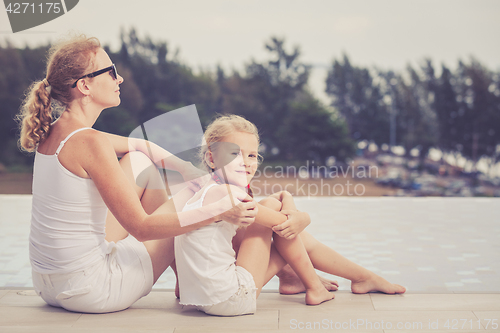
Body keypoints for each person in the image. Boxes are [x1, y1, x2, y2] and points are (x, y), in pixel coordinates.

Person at [16, 35, 257, 314]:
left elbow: (143, 146)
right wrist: (216, 208)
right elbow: (142, 229)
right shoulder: (90, 142)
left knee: (140, 161)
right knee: (196, 197)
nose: (119, 79)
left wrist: (186, 168)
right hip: (93, 289)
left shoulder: (58, 130)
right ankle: (208, 281)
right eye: (111, 72)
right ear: (85, 85)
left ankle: (182, 281)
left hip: (50, 285)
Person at [175, 115, 406, 316]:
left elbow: (275, 213)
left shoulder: (208, 189)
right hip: (230, 299)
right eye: (234, 153)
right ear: (211, 158)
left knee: (273, 209)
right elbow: (284, 223)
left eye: (252, 155)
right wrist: (303, 217)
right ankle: (320, 285)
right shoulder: (225, 195)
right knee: (281, 221)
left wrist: (288, 199)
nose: (245, 162)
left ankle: (302, 279)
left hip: (202, 298)